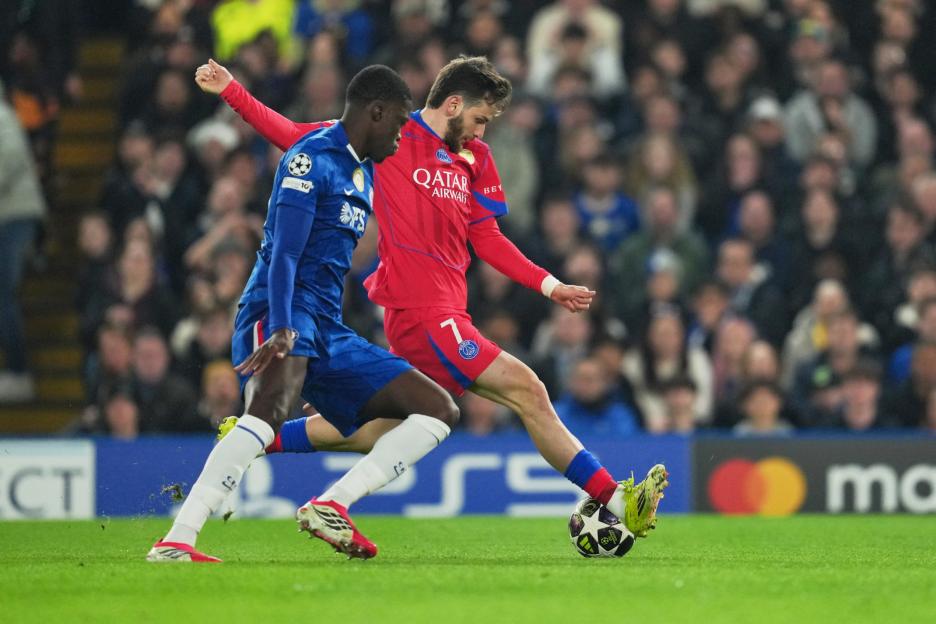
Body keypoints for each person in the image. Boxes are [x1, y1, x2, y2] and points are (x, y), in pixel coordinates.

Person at [196, 56, 668, 538]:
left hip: (446, 310)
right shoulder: (391, 139)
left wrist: (550, 285)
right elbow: (293, 133)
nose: (481, 134)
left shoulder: (475, 160)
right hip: (421, 312)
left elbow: (486, 238)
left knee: (378, 428)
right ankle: (616, 497)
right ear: (454, 103)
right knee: (528, 389)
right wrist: (233, 90)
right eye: (480, 120)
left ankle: (257, 438)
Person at [148, 65, 459, 564]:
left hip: (327, 325)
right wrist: (283, 326)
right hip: (278, 307)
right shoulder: (310, 160)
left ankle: (332, 503)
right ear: (375, 113)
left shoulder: (364, 168)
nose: (402, 137)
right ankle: (176, 540)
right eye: (399, 124)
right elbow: (286, 254)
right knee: (269, 412)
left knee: (439, 409)